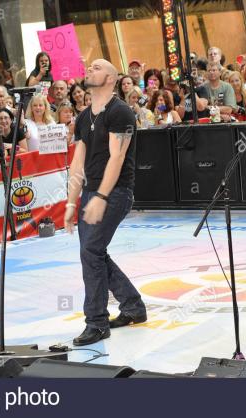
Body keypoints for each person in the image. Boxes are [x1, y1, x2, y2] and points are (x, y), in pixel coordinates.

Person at [64, 59, 147, 346]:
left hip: (116, 192)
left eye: (98, 68)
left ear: (111, 79)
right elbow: (77, 162)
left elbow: (118, 157)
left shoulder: (120, 111)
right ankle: (133, 306)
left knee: (91, 251)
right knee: (94, 253)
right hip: (90, 192)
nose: (90, 70)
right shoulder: (84, 117)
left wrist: (101, 195)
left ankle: (97, 323)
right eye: (90, 67)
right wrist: (71, 203)